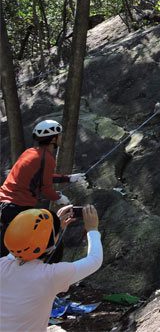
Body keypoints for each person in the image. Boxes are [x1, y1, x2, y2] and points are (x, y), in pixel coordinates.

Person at [0, 204, 103, 331]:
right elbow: (95, 260)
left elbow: (21, 244)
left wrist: (53, 228)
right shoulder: (50, 276)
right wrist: (92, 229)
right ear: (51, 243)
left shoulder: (2, 264)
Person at [0, 120, 85, 257]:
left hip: (6, 204)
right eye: (60, 135)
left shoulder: (30, 152)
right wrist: (59, 198)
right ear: (53, 139)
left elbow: (42, 176)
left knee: (7, 248)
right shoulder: (46, 158)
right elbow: (46, 188)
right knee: (43, 241)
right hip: (17, 207)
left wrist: (68, 178)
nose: (61, 137)